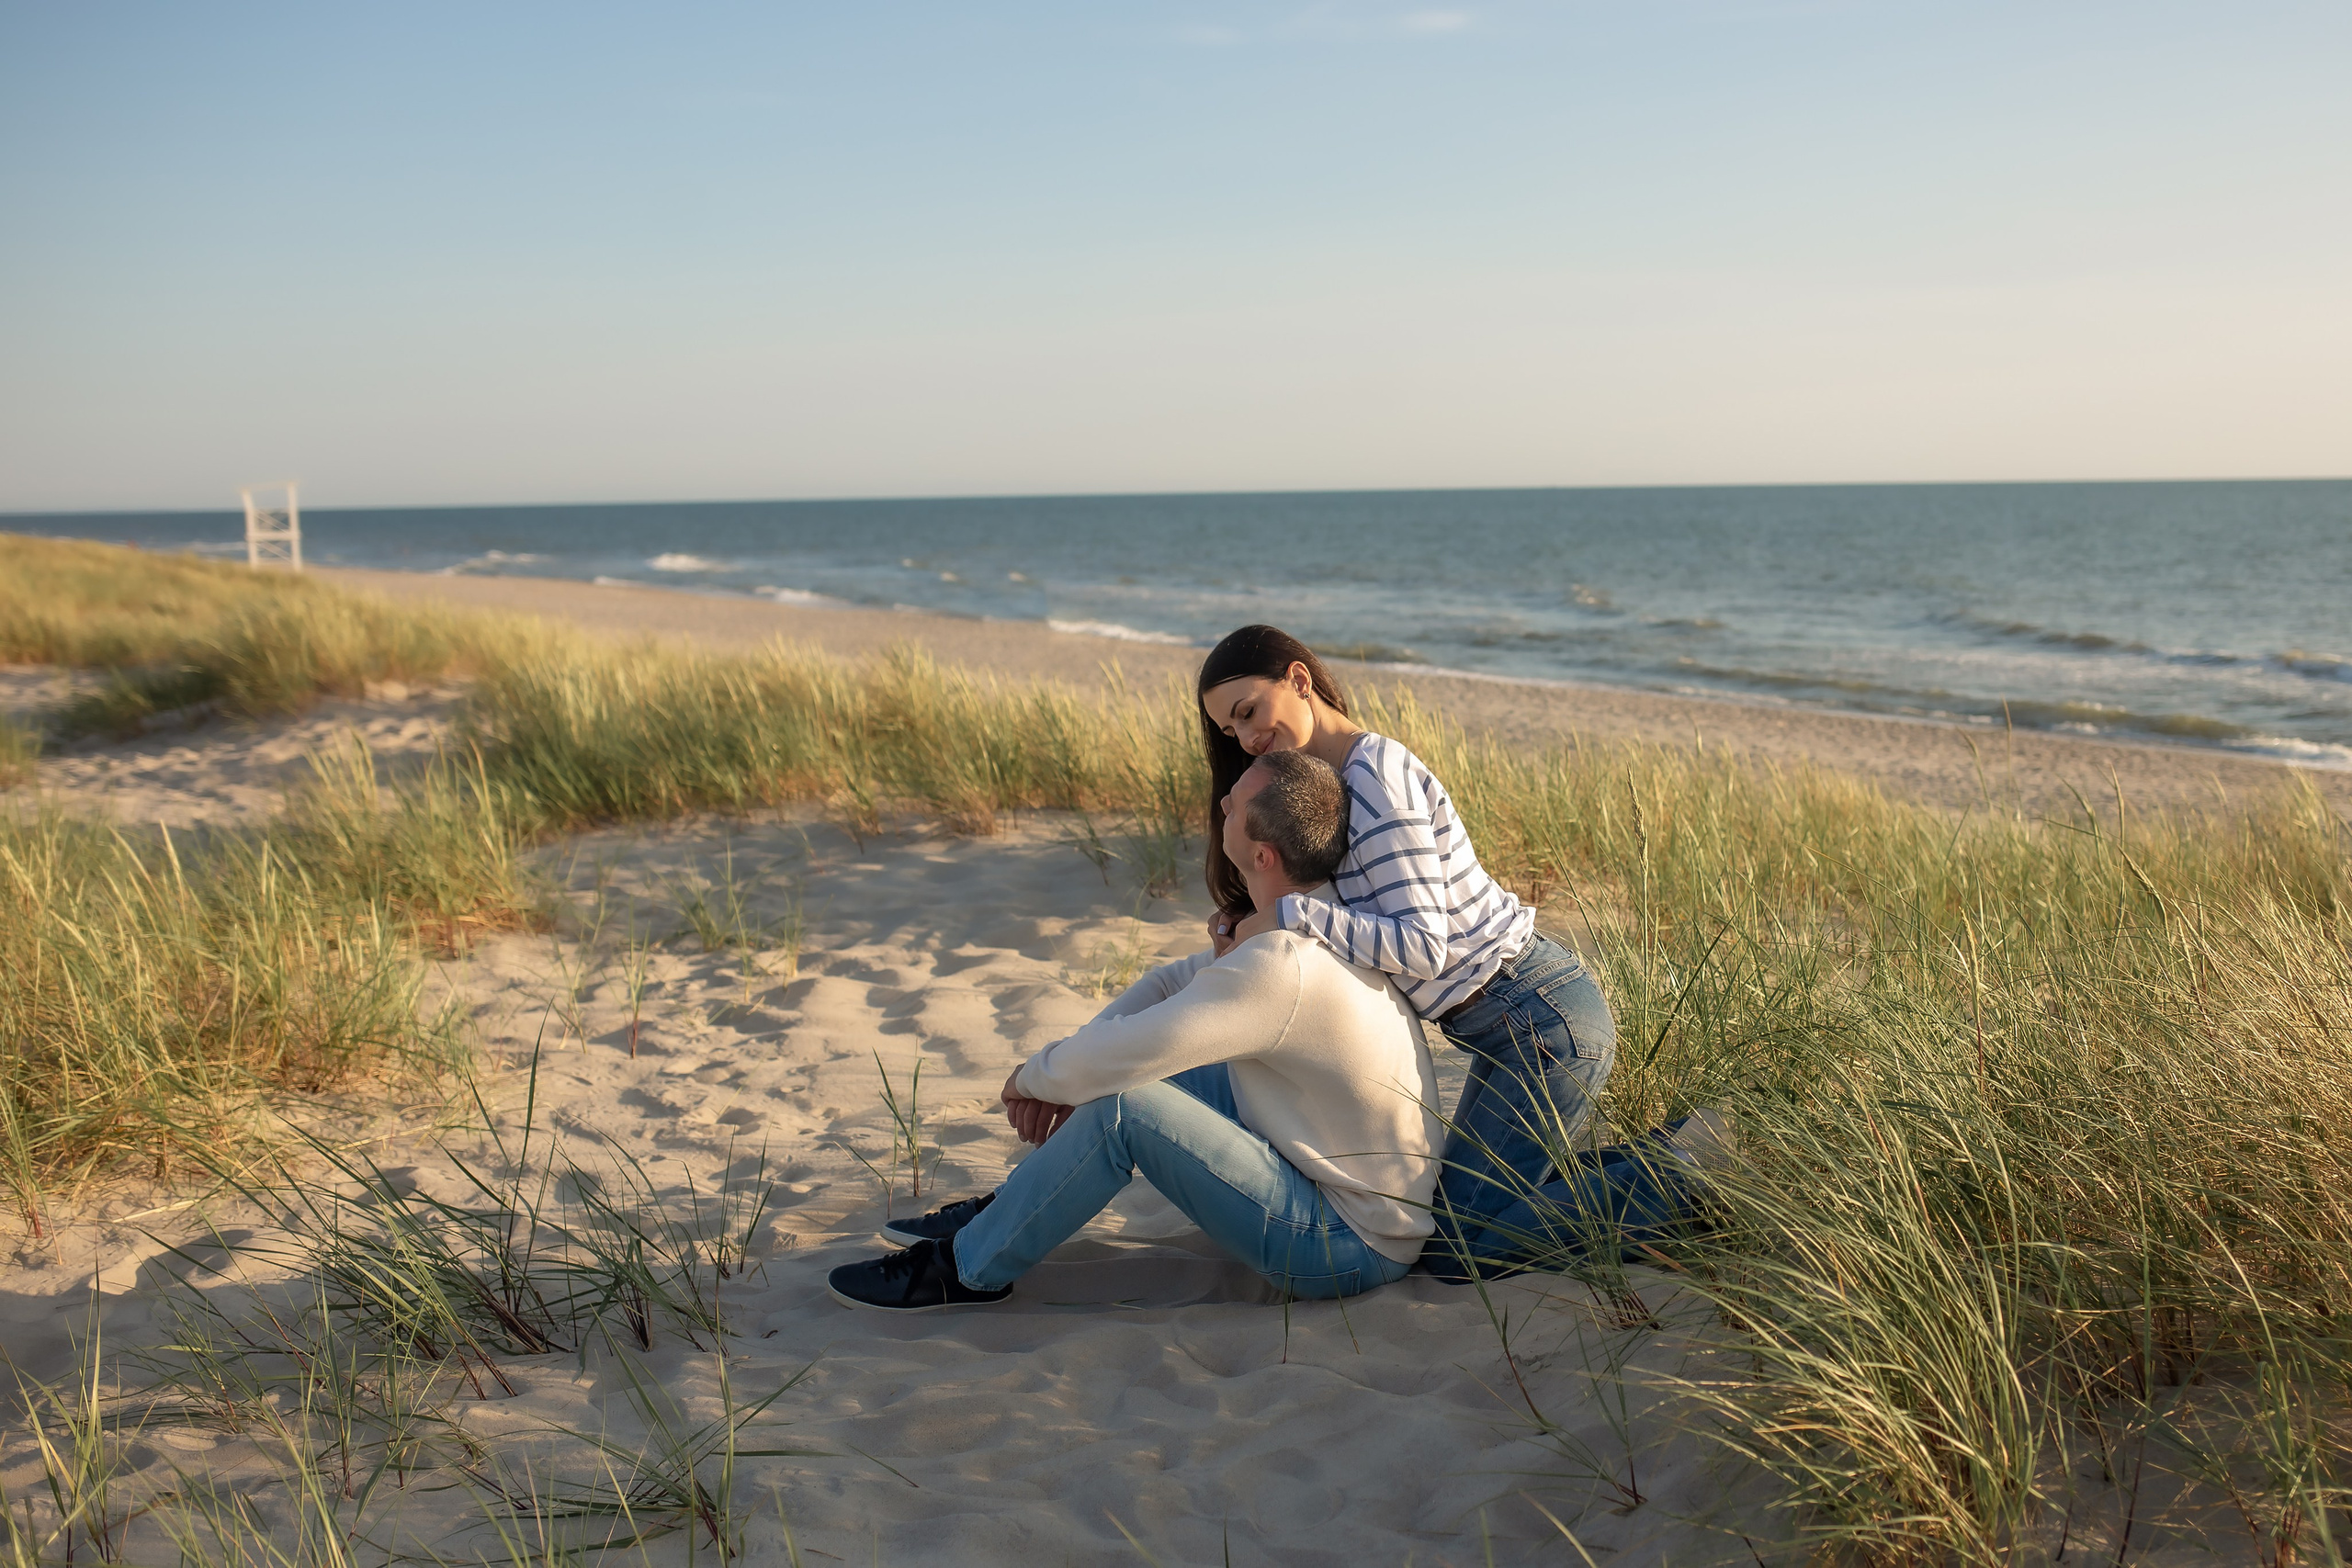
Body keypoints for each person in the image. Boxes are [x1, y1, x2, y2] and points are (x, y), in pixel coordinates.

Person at [827, 750, 1444, 1313]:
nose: (1222, 804)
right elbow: (1172, 984)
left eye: (1235, 804)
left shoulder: (1284, 963)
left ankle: (965, 1269)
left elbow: (1134, 1051)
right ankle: (1009, 1209)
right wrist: (1069, 1077)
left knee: (1124, 1105)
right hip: (1329, 1180)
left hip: (1347, 1245)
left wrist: (1035, 1077)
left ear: (1263, 855)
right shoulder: (1320, 923)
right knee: (1131, 1071)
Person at [1193, 625, 1615, 1280]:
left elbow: (1422, 947)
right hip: (1510, 1026)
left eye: (1248, 711)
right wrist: (1252, 918)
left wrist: (1290, 914)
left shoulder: (1376, 775)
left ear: (1299, 680)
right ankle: (1664, 1163)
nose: (1245, 738)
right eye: (1230, 729)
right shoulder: (1329, 787)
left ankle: (1686, 1178)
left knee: (1455, 1250)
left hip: (1543, 1018)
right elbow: (1353, 921)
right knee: (1462, 1220)